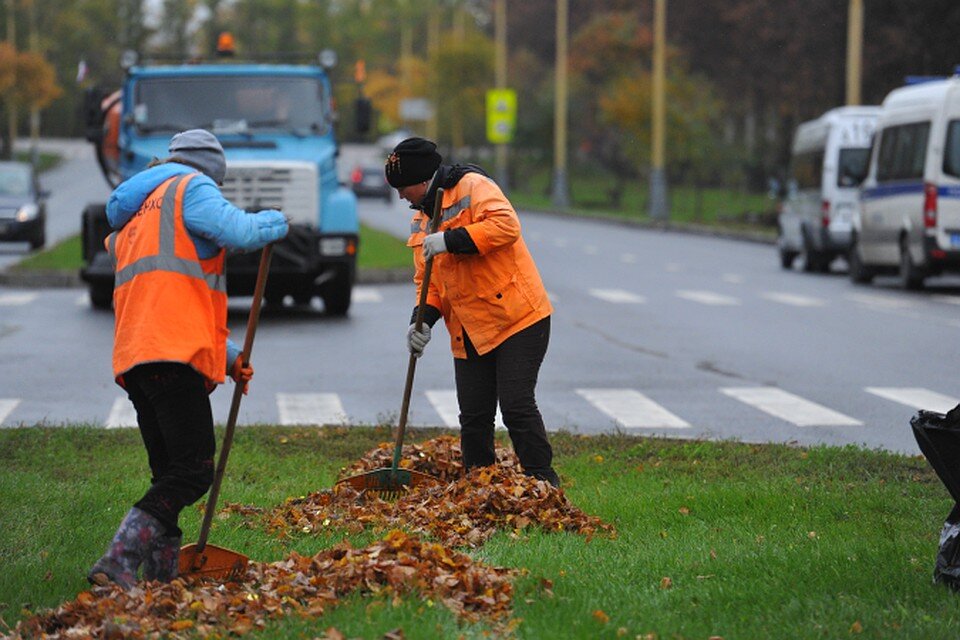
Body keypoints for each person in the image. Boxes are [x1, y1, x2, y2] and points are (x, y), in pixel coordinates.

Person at [87, 129, 288, 588]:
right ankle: (118, 561)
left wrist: (228, 355)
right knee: (194, 470)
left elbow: (172, 293)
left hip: (138, 357)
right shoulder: (189, 187)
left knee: (168, 473)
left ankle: (161, 582)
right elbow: (237, 230)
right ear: (212, 172)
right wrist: (274, 223)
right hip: (171, 354)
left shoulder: (138, 212)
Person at [385, 137, 560, 487]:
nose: (401, 196)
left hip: (517, 317)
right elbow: (429, 282)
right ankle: (479, 488)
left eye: (403, 188)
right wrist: (421, 322)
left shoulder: (473, 186)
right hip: (469, 326)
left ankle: (544, 484)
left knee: (516, 405)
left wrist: (451, 239)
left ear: (422, 180)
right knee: (474, 415)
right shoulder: (421, 220)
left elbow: (506, 226)